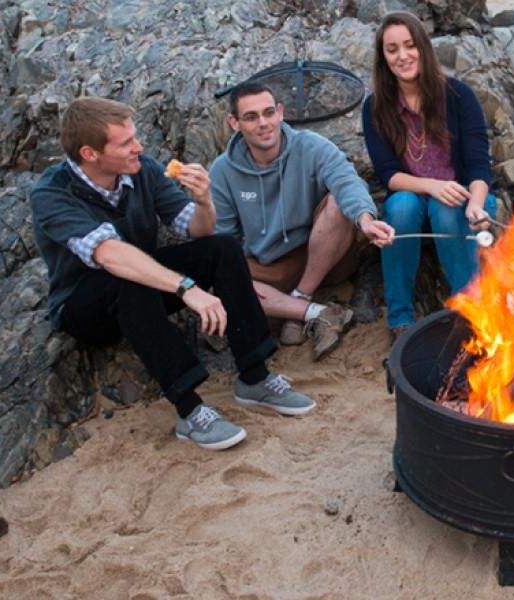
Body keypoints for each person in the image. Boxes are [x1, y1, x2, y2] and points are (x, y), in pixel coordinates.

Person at [30, 97, 317, 452]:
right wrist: (187, 289)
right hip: (86, 306)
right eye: (126, 143)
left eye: (135, 137)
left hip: (146, 284)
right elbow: (110, 255)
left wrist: (204, 201)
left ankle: (255, 377)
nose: (139, 147)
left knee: (223, 248)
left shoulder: (142, 170)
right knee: (126, 278)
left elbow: (196, 231)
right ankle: (190, 410)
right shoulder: (51, 193)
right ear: (90, 154)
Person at [211, 82, 394, 360]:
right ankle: (318, 313)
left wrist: (365, 219)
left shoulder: (311, 146)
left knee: (337, 202)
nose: (263, 123)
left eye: (268, 112)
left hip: (324, 254)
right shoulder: (222, 171)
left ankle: (300, 298)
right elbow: (222, 239)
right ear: (234, 123)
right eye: (251, 117)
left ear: (280, 113)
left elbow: (347, 181)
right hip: (270, 265)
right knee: (219, 279)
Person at [361, 11, 497, 339]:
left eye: (410, 45)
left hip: (464, 198)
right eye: (392, 49)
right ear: (383, 57)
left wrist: (476, 206)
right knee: (399, 207)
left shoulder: (459, 96)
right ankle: (401, 320)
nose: (403, 55)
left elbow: (480, 168)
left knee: (446, 206)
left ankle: (471, 312)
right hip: (415, 194)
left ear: (423, 46)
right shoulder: (376, 106)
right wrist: (431, 185)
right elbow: (388, 174)